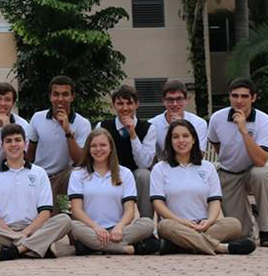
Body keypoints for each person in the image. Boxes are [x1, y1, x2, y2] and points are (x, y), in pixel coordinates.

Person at [152, 120, 256, 255]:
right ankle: (222, 248)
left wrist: (209, 221)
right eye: (176, 137)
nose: (181, 140)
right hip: (175, 224)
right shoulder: (160, 168)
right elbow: (158, 204)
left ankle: (181, 244)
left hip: (204, 226)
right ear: (170, 141)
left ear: (194, 139)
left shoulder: (207, 167)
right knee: (164, 226)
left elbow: (214, 201)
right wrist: (181, 222)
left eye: (185, 136)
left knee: (234, 224)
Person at [0, 124, 72, 261]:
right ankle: (36, 247)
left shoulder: (39, 173)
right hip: (3, 229)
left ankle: (14, 250)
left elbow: (45, 212)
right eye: (8, 141)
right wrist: (12, 233)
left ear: (25, 144)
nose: (13, 144)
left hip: (34, 228)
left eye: (17, 140)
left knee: (65, 220)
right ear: (2, 145)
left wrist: (27, 232)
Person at [68, 129, 159, 256]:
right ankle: (124, 248)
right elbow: (76, 210)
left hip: (119, 230)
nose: (98, 149)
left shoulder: (125, 173)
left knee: (147, 224)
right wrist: (96, 228)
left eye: (103, 145)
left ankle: (94, 247)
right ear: (88, 149)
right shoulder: (78, 173)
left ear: (111, 148)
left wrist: (119, 227)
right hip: (90, 229)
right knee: (72, 225)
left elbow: (130, 211)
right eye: (93, 146)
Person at [207, 78, 268, 246]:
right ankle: (251, 216)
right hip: (229, 173)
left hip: (253, 170)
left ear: (253, 98)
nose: (239, 101)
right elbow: (217, 146)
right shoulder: (217, 118)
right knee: (241, 234)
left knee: (261, 174)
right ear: (229, 97)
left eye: (244, 96)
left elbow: (261, 160)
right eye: (234, 96)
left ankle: (266, 228)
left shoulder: (264, 121)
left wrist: (244, 131)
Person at [96, 85, 156, 218]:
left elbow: (144, 163)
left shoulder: (148, 128)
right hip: (109, 173)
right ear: (113, 105)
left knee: (144, 175)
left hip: (135, 173)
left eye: (129, 103)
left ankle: (147, 224)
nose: (124, 108)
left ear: (136, 105)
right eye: (120, 103)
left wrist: (133, 134)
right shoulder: (103, 127)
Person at [28, 76, 91, 199]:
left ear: (72, 97)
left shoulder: (82, 123)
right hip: (40, 176)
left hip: (64, 179)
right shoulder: (37, 118)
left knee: (63, 216)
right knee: (39, 215)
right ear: (50, 96)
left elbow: (80, 161)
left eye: (65, 94)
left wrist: (67, 130)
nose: (60, 99)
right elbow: (30, 155)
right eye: (56, 94)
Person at [148, 80, 207, 161]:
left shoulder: (199, 123)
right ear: (163, 101)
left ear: (186, 100)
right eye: (170, 100)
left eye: (179, 99)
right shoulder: (152, 124)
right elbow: (150, 157)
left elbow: (199, 155)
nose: (175, 104)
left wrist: (181, 126)